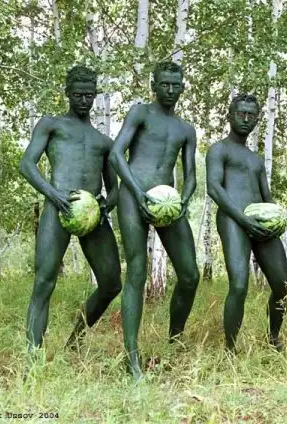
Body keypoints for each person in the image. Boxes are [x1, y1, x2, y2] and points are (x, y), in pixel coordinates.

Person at [19, 65, 121, 352]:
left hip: (93, 216)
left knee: (112, 284)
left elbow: (114, 188)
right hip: (57, 207)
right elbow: (27, 164)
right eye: (78, 94)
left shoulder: (104, 141)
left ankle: (75, 340)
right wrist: (54, 194)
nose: (84, 100)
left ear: (95, 95)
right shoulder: (51, 125)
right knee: (44, 281)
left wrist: (107, 204)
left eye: (89, 95)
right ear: (67, 93)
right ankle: (33, 357)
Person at [110, 61, 199, 380]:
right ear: (154, 85)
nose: (170, 90)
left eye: (176, 85)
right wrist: (137, 192)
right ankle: (132, 358)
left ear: (183, 87)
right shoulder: (140, 113)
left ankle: (175, 342)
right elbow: (116, 154)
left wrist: (183, 200)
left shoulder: (186, 129)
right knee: (137, 271)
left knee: (190, 275)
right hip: (133, 197)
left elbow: (191, 176)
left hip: (167, 202)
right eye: (165, 84)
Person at [206, 94, 287, 354]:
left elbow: (267, 197)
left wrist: (277, 220)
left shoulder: (256, 160)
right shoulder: (219, 150)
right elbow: (214, 188)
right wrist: (243, 219)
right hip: (233, 219)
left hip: (261, 223)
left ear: (256, 120)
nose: (245, 119)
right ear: (230, 115)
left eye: (251, 115)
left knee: (283, 286)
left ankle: (273, 338)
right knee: (239, 285)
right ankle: (230, 349)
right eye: (241, 113)